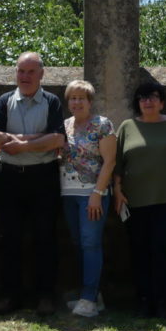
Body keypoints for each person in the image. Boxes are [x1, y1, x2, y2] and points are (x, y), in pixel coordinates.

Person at [0, 51, 66, 316]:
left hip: (43, 176)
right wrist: (34, 140)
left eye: (31, 71)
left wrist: (21, 145)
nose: (25, 76)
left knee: (45, 238)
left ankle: (45, 296)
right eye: (21, 71)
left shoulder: (52, 102)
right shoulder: (5, 100)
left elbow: (57, 139)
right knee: (9, 238)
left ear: (42, 74)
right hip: (10, 177)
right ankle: (10, 296)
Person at [113, 81, 166, 318]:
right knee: (140, 251)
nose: (148, 101)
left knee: (163, 250)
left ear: (162, 101)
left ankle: (163, 301)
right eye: (143, 98)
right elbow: (117, 163)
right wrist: (117, 191)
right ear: (137, 102)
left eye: (153, 97)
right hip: (134, 200)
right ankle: (144, 300)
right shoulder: (127, 127)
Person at [60, 80, 116, 318]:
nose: (76, 102)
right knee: (78, 242)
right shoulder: (64, 125)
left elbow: (110, 161)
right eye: (72, 98)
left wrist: (97, 194)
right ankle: (91, 295)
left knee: (91, 242)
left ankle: (89, 297)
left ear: (90, 101)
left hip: (92, 193)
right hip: (68, 193)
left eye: (81, 98)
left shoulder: (102, 125)